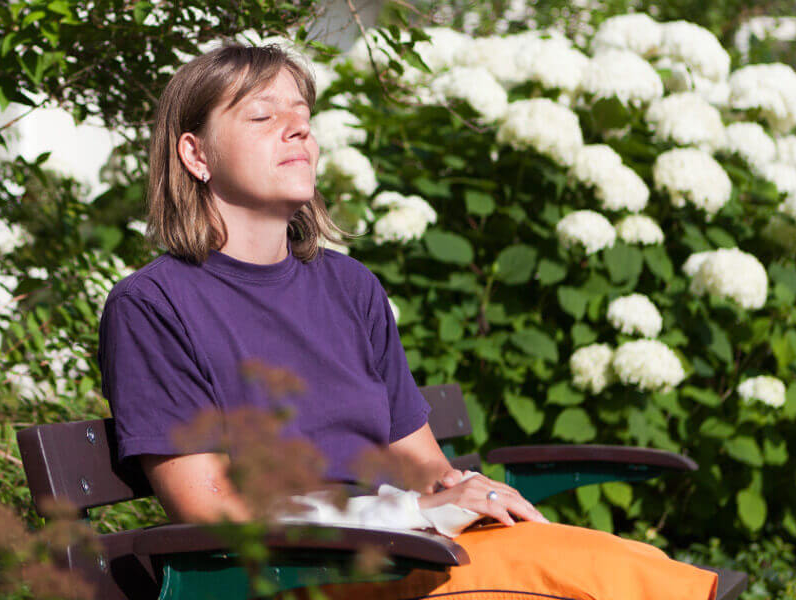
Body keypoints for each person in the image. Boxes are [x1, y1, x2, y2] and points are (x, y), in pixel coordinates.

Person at [98, 41, 718, 600]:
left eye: (304, 119)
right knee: (606, 581)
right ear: (195, 153)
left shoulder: (348, 286)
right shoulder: (154, 307)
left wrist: (470, 492)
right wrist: (416, 514)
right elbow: (210, 511)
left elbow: (418, 459)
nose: (298, 132)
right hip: (295, 575)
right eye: (263, 117)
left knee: (595, 562)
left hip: (403, 554)